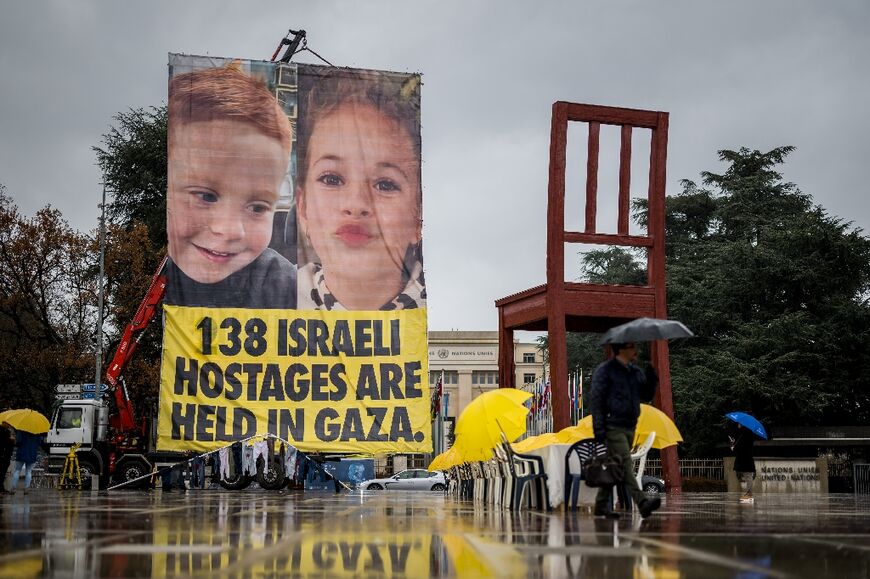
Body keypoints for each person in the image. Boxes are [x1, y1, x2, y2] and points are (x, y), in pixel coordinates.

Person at [165, 63, 297, 308]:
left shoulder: (284, 285)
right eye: (206, 196)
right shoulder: (156, 278)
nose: (229, 231)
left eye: (257, 208)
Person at [295, 68, 425, 311]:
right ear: (303, 210)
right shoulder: (271, 298)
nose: (355, 204)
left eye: (385, 184)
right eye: (332, 179)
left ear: (417, 220)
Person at [589, 342, 661, 519]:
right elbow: (596, 400)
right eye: (632, 347)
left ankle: (600, 506)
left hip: (630, 426)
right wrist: (599, 429)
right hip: (613, 426)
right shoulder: (605, 371)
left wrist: (652, 378)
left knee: (616, 465)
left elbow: (645, 395)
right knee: (626, 462)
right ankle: (642, 502)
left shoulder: (634, 371)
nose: (636, 350)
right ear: (621, 349)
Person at [9, 430, 44, 495]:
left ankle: (13, 488)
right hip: (32, 453)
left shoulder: (21, 430)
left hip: (21, 453)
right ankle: (26, 489)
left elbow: (18, 442)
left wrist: (14, 440)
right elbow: (39, 442)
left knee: (17, 471)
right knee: (28, 471)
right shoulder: (37, 431)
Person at [730, 423, 756, 503]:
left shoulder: (745, 434)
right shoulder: (746, 434)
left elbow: (742, 447)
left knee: (748, 476)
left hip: (746, 459)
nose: (738, 424)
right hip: (746, 459)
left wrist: (734, 447)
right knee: (747, 475)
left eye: (739, 423)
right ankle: (748, 493)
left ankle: (749, 494)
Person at [0, 421, 15, 494]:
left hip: (5, 454)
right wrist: (11, 440)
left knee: (3, 472)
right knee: (2, 472)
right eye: (7, 423)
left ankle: (2, 488)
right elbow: (5, 443)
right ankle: (1, 489)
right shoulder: (4, 432)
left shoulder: (6, 431)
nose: (9, 424)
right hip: (4, 455)